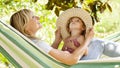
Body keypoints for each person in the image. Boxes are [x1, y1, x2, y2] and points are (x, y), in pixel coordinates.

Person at [10, 9, 94, 65]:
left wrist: (57, 41)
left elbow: (48, 57)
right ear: (25, 27)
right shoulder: (37, 44)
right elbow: (72, 59)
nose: (38, 17)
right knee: (98, 43)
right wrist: (88, 39)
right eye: (33, 17)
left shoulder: (30, 43)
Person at [53, 8, 120, 60]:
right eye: (71, 21)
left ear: (83, 28)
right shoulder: (66, 39)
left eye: (77, 21)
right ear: (69, 29)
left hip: (79, 60)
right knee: (96, 42)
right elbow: (63, 50)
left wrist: (77, 49)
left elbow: (85, 52)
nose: (73, 22)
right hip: (70, 61)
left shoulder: (81, 38)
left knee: (94, 41)